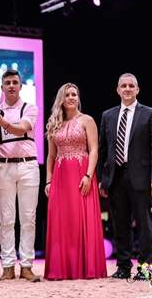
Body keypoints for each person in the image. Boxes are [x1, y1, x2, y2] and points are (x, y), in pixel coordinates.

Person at [97, 73, 152, 280]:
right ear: (117, 90)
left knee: (145, 225)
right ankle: (123, 267)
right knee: (120, 225)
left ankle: (145, 268)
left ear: (137, 90)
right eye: (123, 86)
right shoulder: (107, 116)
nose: (127, 89)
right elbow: (103, 149)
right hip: (116, 177)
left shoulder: (151, 114)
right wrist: (102, 178)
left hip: (143, 178)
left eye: (131, 86)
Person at [43, 83, 107, 280]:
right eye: (67, 95)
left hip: (82, 173)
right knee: (63, 221)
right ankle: (62, 269)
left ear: (78, 98)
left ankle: (86, 268)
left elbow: (94, 150)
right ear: (61, 99)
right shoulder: (54, 123)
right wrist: (48, 181)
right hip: (60, 177)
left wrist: (89, 175)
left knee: (82, 218)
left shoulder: (87, 120)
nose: (71, 97)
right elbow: (51, 157)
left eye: (74, 94)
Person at [0, 69, 40, 282]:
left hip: (28, 166)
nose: (11, 85)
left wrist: (1, 123)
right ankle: (8, 266)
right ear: (1, 87)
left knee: (28, 218)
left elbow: (22, 129)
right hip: (3, 167)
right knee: (6, 219)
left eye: (15, 82)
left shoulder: (30, 108)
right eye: (7, 82)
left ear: (20, 86)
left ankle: (26, 265)